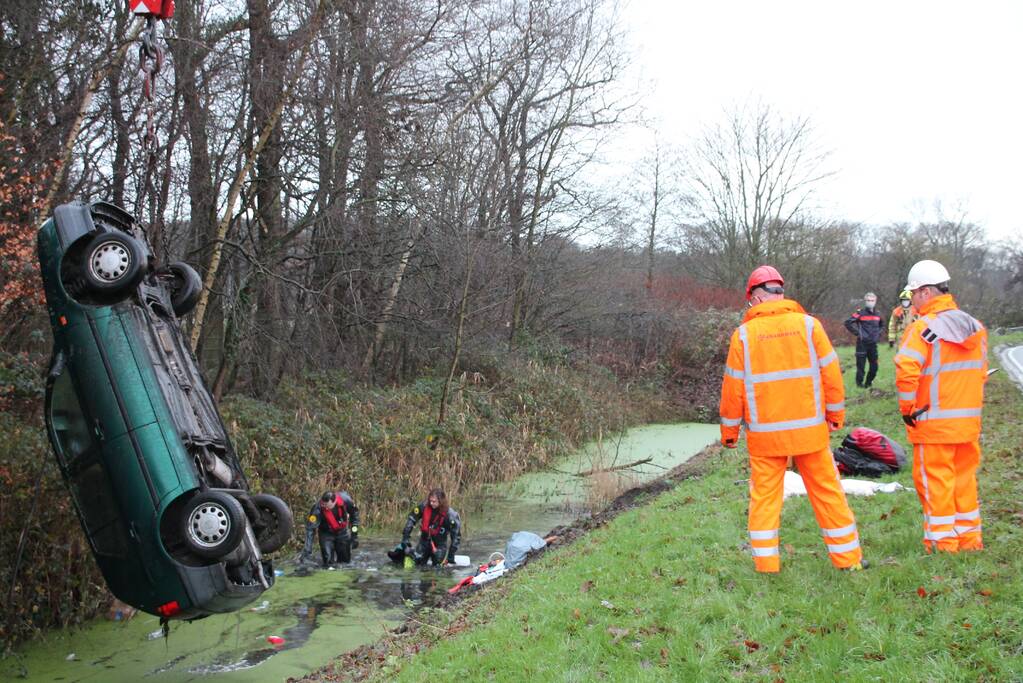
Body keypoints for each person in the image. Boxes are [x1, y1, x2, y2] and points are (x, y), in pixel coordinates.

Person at [720, 265, 864, 573]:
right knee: (828, 493)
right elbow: (831, 374)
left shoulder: (743, 336)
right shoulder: (809, 326)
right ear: (780, 293)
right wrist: (835, 415)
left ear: (756, 299)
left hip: (765, 437)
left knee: (764, 500)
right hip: (810, 433)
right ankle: (849, 560)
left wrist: (730, 432)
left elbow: (733, 388)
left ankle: (767, 566)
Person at [894, 259, 987, 553]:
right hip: (967, 423)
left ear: (923, 292)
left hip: (932, 423)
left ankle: (942, 543)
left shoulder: (922, 328)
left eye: (914, 295)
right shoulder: (975, 327)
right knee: (963, 480)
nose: (913, 302)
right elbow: (981, 373)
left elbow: (906, 370)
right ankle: (970, 539)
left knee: (935, 483)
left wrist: (908, 410)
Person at [389, 489, 462, 567]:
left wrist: (450, 557)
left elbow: (456, 537)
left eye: (434, 501)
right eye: (430, 501)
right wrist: (405, 538)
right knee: (416, 564)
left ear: (441, 501)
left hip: (439, 545)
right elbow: (411, 520)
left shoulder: (451, 515)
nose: (431, 503)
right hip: (424, 542)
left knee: (437, 568)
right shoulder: (423, 507)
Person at [302, 490, 360, 567]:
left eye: (327, 505)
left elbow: (355, 517)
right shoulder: (317, 508)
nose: (325, 507)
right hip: (326, 534)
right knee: (328, 562)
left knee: (345, 562)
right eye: (323, 504)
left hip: (342, 532)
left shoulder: (346, 500)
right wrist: (307, 550)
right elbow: (310, 529)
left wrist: (354, 535)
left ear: (334, 501)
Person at [844, 292, 883, 388]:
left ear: (875, 301)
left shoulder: (878, 314)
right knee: (861, 367)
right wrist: (858, 333)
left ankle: (868, 383)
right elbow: (848, 322)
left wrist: (878, 334)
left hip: (873, 344)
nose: (870, 302)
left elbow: (882, 325)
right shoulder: (860, 313)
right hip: (862, 344)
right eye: (868, 300)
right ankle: (859, 385)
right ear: (865, 301)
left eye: (872, 300)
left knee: (874, 367)